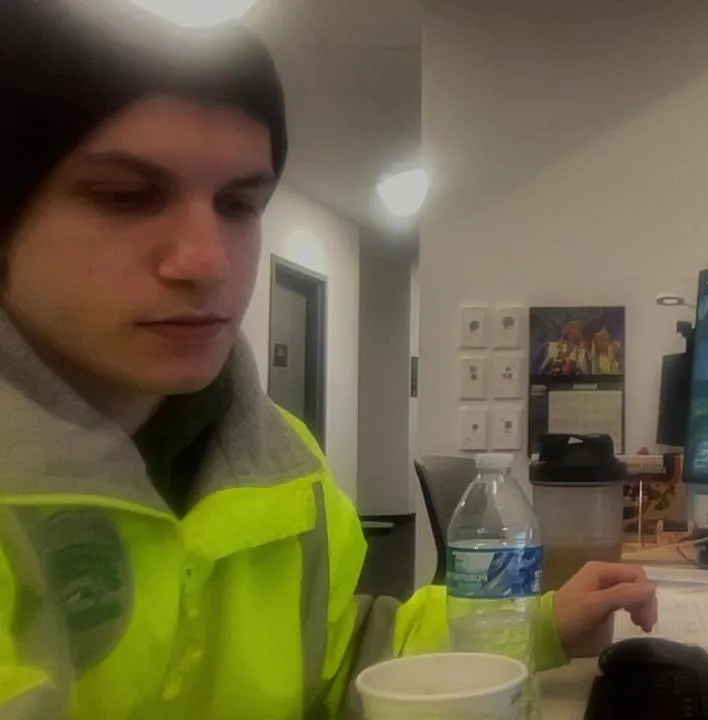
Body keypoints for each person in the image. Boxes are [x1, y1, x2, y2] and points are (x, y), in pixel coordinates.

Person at [0, 3, 656, 719]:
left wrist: (537, 624)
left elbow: (346, 660)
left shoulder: (283, 464)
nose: (207, 261)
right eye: (125, 197)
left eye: (239, 204)